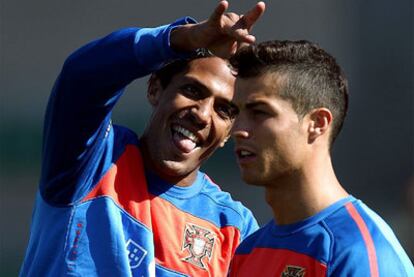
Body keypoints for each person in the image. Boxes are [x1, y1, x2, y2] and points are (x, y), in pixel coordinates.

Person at [19, 1, 266, 276]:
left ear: (228, 134)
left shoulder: (234, 227)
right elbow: (82, 78)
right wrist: (179, 39)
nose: (203, 115)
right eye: (192, 91)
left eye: (224, 110)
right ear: (155, 89)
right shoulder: (93, 160)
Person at [228, 40, 414, 276]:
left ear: (317, 123)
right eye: (236, 112)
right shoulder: (248, 250)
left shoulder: (359, 251)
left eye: (260, 113)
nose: (238, 129)